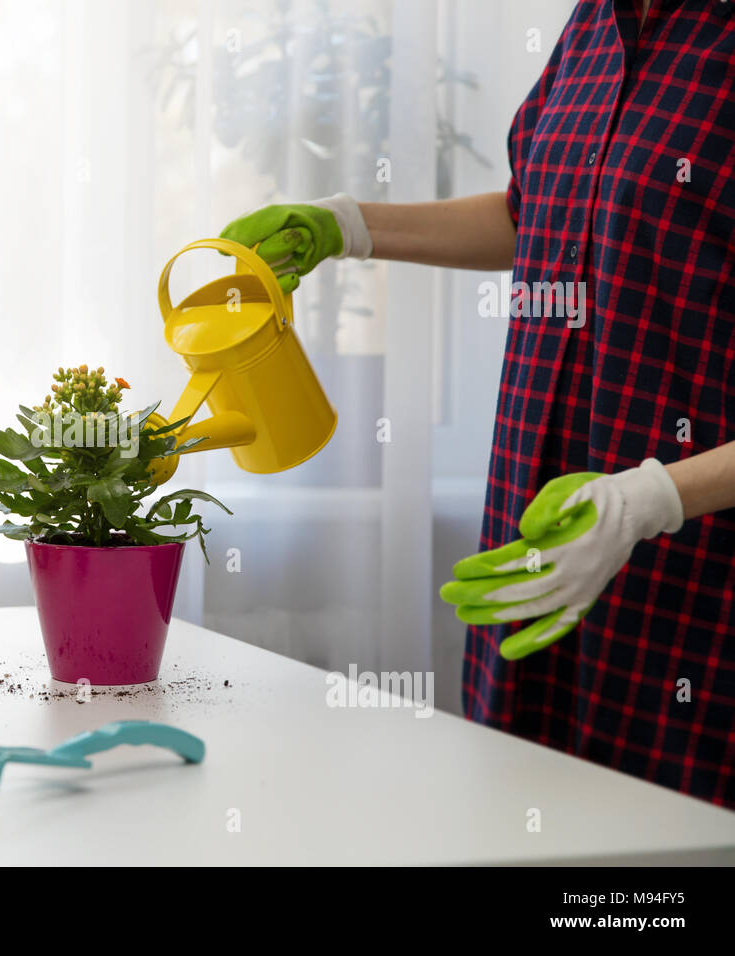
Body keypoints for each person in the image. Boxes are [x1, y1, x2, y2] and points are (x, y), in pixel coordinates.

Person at [221, 0, 734, 808]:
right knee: (526, 825)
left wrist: (649, 500)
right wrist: (347, 225)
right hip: (534, 536)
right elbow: (535, 216)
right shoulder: (593, 25)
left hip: (695, 584)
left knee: (661, 862)